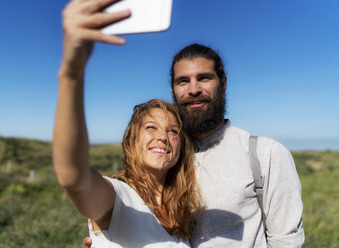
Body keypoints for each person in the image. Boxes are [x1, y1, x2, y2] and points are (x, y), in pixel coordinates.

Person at [82, 5, 305, 248]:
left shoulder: (265, 154)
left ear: (223, 84)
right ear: (174, 90)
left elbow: (286, 242)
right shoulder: (165, 155)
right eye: (183, 81)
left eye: (204, 78)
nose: (194, 89)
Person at [53, 0, 202, 247]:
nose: (163, 137)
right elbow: (73, 177)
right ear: (132, 140)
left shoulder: (181, 210)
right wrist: (71, 72)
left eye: (173, 131)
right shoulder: (117, 197)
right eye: (151, 127)